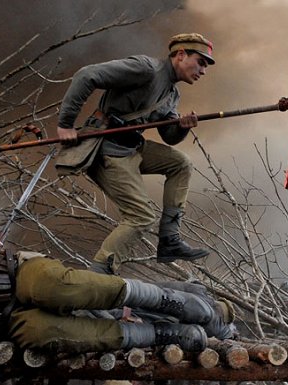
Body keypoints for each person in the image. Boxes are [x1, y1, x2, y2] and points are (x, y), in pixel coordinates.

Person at [0, 212, 236, 355]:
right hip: (1, 325)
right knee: (44, 333)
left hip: (11, 274)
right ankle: (158, 334)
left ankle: (166, 299)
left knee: (56, 288)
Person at [55, 33, 216, 273]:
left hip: (131, 147)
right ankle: (99, 275)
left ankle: (169, 240)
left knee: (180, 163)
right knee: (141, 216)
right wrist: (66, 123)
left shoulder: (172, 94)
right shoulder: (146, 68)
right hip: (106, 147)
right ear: (181, 54)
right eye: (200, 62)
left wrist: (182, 127)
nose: (203, 71)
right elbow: (86, 75)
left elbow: (169, 136)